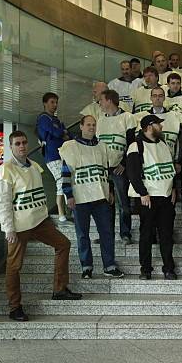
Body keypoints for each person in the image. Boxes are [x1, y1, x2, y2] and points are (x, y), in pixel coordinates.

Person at [0, 131, 82, 322]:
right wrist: (8, 228)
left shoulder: (34, 166)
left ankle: (59, 289)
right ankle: (14, 307)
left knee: (63, 244)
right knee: (14, 265)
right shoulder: (4, 171)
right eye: (17, 143)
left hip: (40, 221)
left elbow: (39, 194)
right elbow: (2, 202)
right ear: (11, 147)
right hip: (19, 225)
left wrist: (45, 217)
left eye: (24, 142)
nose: (22, 146)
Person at [59, 115, 124, 279]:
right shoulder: (70, 146)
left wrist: (109, 190)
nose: (91, 127)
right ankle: (86, 266)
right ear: (81, 126)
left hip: (101, 197)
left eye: (94, 125)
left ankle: (109, 266)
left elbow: (106, 171)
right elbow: (66, 174)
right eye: (88, 124)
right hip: (80, 197)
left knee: (107, 232)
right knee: (82, 234)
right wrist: (68, 195)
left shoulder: (102, 146)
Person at [127, 114, 178, 280]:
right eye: (158, 124)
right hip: (147, 198)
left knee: (166, 234)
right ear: (149, 127)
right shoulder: (136, 146)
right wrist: (142, 193)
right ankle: (145, 269)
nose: (161, 127)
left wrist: (174, 189)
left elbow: (169, 169)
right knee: (146, 234)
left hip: (165, 196)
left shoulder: (162, 144)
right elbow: (133, 174)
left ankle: (168, 268)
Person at [97, 89, 137, 244]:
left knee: (123, 203)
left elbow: (132, 143)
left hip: (119, 167)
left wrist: (124, 163)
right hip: (103, 168)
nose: (99, 103)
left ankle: (125, 233)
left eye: (101, 100)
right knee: (105, 203)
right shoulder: (100, 120)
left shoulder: (127, 117)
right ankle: (107, 235)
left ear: (109, 100)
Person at [37, 92, 69, 222]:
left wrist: (61, 133)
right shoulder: (43, 118)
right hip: (52, 155)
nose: (55, 105)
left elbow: (67, 134)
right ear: (45, 103)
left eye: (56, 102)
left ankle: (66, 210)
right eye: (52, 102)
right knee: (61, 180)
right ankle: (61, 211)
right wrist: (62, 133)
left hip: (62, 153)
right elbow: (56, 132)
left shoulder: (56, 119)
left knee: (66, 180)